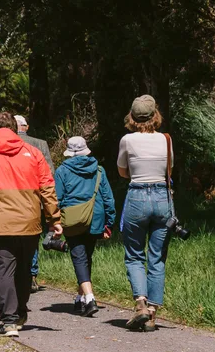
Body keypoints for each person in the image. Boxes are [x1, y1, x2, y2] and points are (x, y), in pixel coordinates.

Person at [0, 111, 62, 335]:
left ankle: (9, 320)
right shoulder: (33, 153)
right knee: (24, 269)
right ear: (16, 129)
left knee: (3, 270)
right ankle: (21, 312)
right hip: (28, 222)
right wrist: (54, 219)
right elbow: (47, 188)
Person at [116, 95, 173, 331]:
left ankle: (140, 303)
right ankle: (152, 315)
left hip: (137, 196)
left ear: (132, 117)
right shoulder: (166, 139)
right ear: (155, 115)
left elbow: (122, 172)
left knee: (134, 254)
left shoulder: (127, 140)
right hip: (162, 198)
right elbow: (169, 169)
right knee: (157, 256)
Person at [54, 136, 116, 316]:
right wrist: (109, 224)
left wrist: (54, 221)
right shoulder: (99, 170)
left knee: (79, 257)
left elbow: (57, 199)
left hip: (73, 219)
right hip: (95, 218)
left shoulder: (62, 171)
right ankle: (80, 298)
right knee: (86, 257)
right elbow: (108, 199)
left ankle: (89, 298)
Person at [15, 114, 54, 292]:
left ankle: (16, 275)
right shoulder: (40, 144)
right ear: (26, 127)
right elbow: (49, 173)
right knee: (33, 236)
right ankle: (31, 276)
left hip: (10, 199)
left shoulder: (5, 145)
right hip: (35, 199)